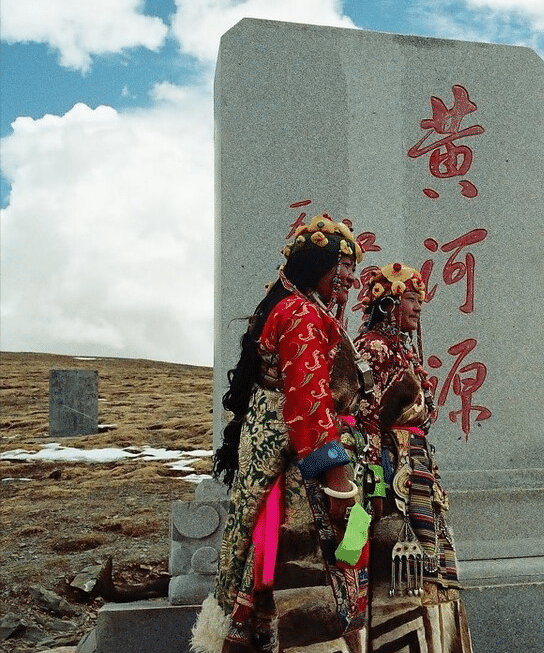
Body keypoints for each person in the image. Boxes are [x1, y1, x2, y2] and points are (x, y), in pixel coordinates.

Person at [192, 213, 371, 653]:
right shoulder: (303, 316)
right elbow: (309, 405)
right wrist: (339, 487)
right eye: (341, 266)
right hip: (300, 470)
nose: (350, 276)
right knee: (309, 580)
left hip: (291, 456)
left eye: (351, 267)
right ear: (315, 266)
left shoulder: (296, 309)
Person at [353, 262, 472, 652]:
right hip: (389, 466)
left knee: (429, 557)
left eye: (419, 300)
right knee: (396, 555)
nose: (418, 307)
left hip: (415, 465)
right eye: (410, 299)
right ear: (387, 303)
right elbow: (364, 415)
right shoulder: (372, 347)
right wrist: (373, 474)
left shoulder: (401, 350)